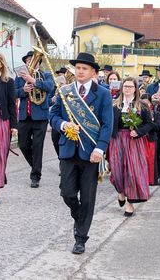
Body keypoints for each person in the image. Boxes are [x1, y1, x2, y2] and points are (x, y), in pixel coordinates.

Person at [50, 52, 113, 254]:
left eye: (84, 68)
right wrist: (63, 124)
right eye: (77, 68)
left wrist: (100, 148)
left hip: (91, 154)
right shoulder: (65, 91)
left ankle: (80, 238)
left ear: (93, 72)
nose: (80, 71)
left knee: (87, 198)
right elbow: (53, 115)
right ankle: (79, 217)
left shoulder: (102, 93)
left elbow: (107, 124)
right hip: (68, 151)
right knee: (67, 193)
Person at [108, 77, 153, 216]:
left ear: (135, 89)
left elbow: (149, 124)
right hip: (118, 141)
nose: (127, 89)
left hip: (134, 142)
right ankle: (121, 192)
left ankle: (129, 204)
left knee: (132, 173)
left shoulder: (141, 105)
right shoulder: (115, 104)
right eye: (125, 86)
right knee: (116, 172)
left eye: (130, 87)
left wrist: (138, 132)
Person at [15, 50, 54, 188]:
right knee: (23, 145)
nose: (29, 62)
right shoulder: (19, 78)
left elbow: (50, 87)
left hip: (40, 117)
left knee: (37, 147)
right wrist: (22, 91)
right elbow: (13, 93)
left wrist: (33, 81)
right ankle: (36, 166)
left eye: (32, 60)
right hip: (24, 117)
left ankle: (35, 176)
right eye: (27, 61)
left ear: (38, 62)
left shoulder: (46, 75)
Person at [0, 53, 17, 204]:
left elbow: (11, 105)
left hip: (0, 120)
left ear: (1, 64)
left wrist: (14, 126)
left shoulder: (8, 82)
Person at [141, 93, 160, 186]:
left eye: (147, 103)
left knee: (150, 159)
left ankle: (151, 179)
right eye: (143, 103)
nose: (145, 106)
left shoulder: (156, 112)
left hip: (151, 138)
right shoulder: (137, 112)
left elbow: (158, 126)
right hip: (140, 138)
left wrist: (149, 124)